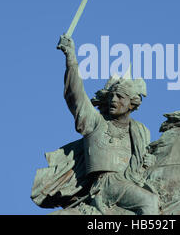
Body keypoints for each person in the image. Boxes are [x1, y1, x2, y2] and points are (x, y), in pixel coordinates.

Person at [56, 34, 159, 215]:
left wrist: (150, 162)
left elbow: (142, 165)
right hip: (106, 185)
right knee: (149, 202)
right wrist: (71, 58)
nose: (113, 99)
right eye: (111, 95)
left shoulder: (141, 131)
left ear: (132, 103)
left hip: (129, 183)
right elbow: (76, 96)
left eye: (120, 96)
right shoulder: (96, 122)